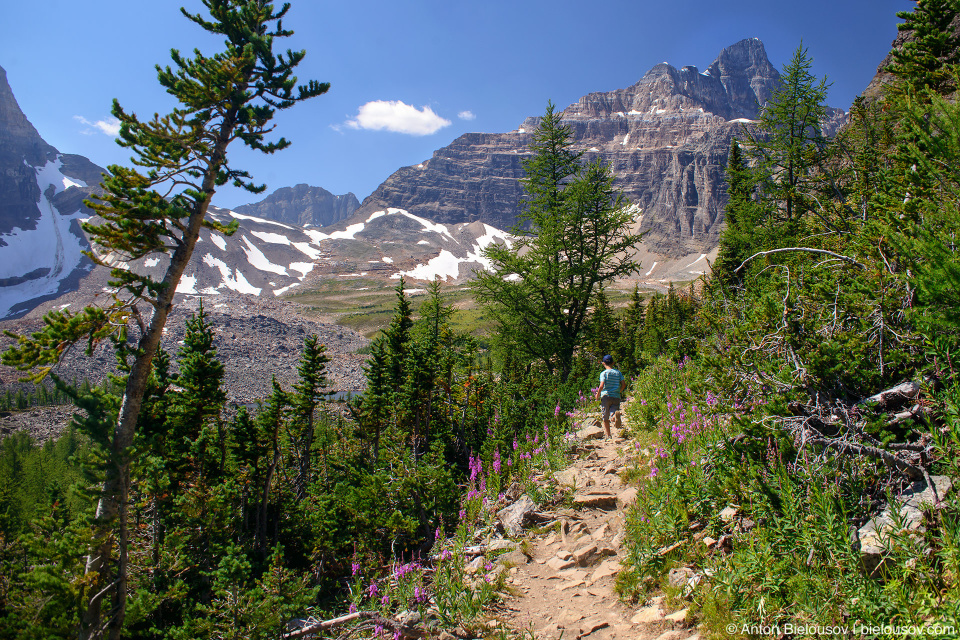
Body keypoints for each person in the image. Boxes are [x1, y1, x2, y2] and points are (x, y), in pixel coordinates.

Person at [594, 355, 625, 439]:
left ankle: (608, 435)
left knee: (605, 417)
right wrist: (619, 391)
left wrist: (597, 395)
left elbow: (601, 385)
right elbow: (623, 384)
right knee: (613, 411)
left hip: (606, 396)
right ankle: (615, 416)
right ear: (613, 363)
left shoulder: (603, 373)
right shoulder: (618, 372)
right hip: (616, 396)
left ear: (603, 363)